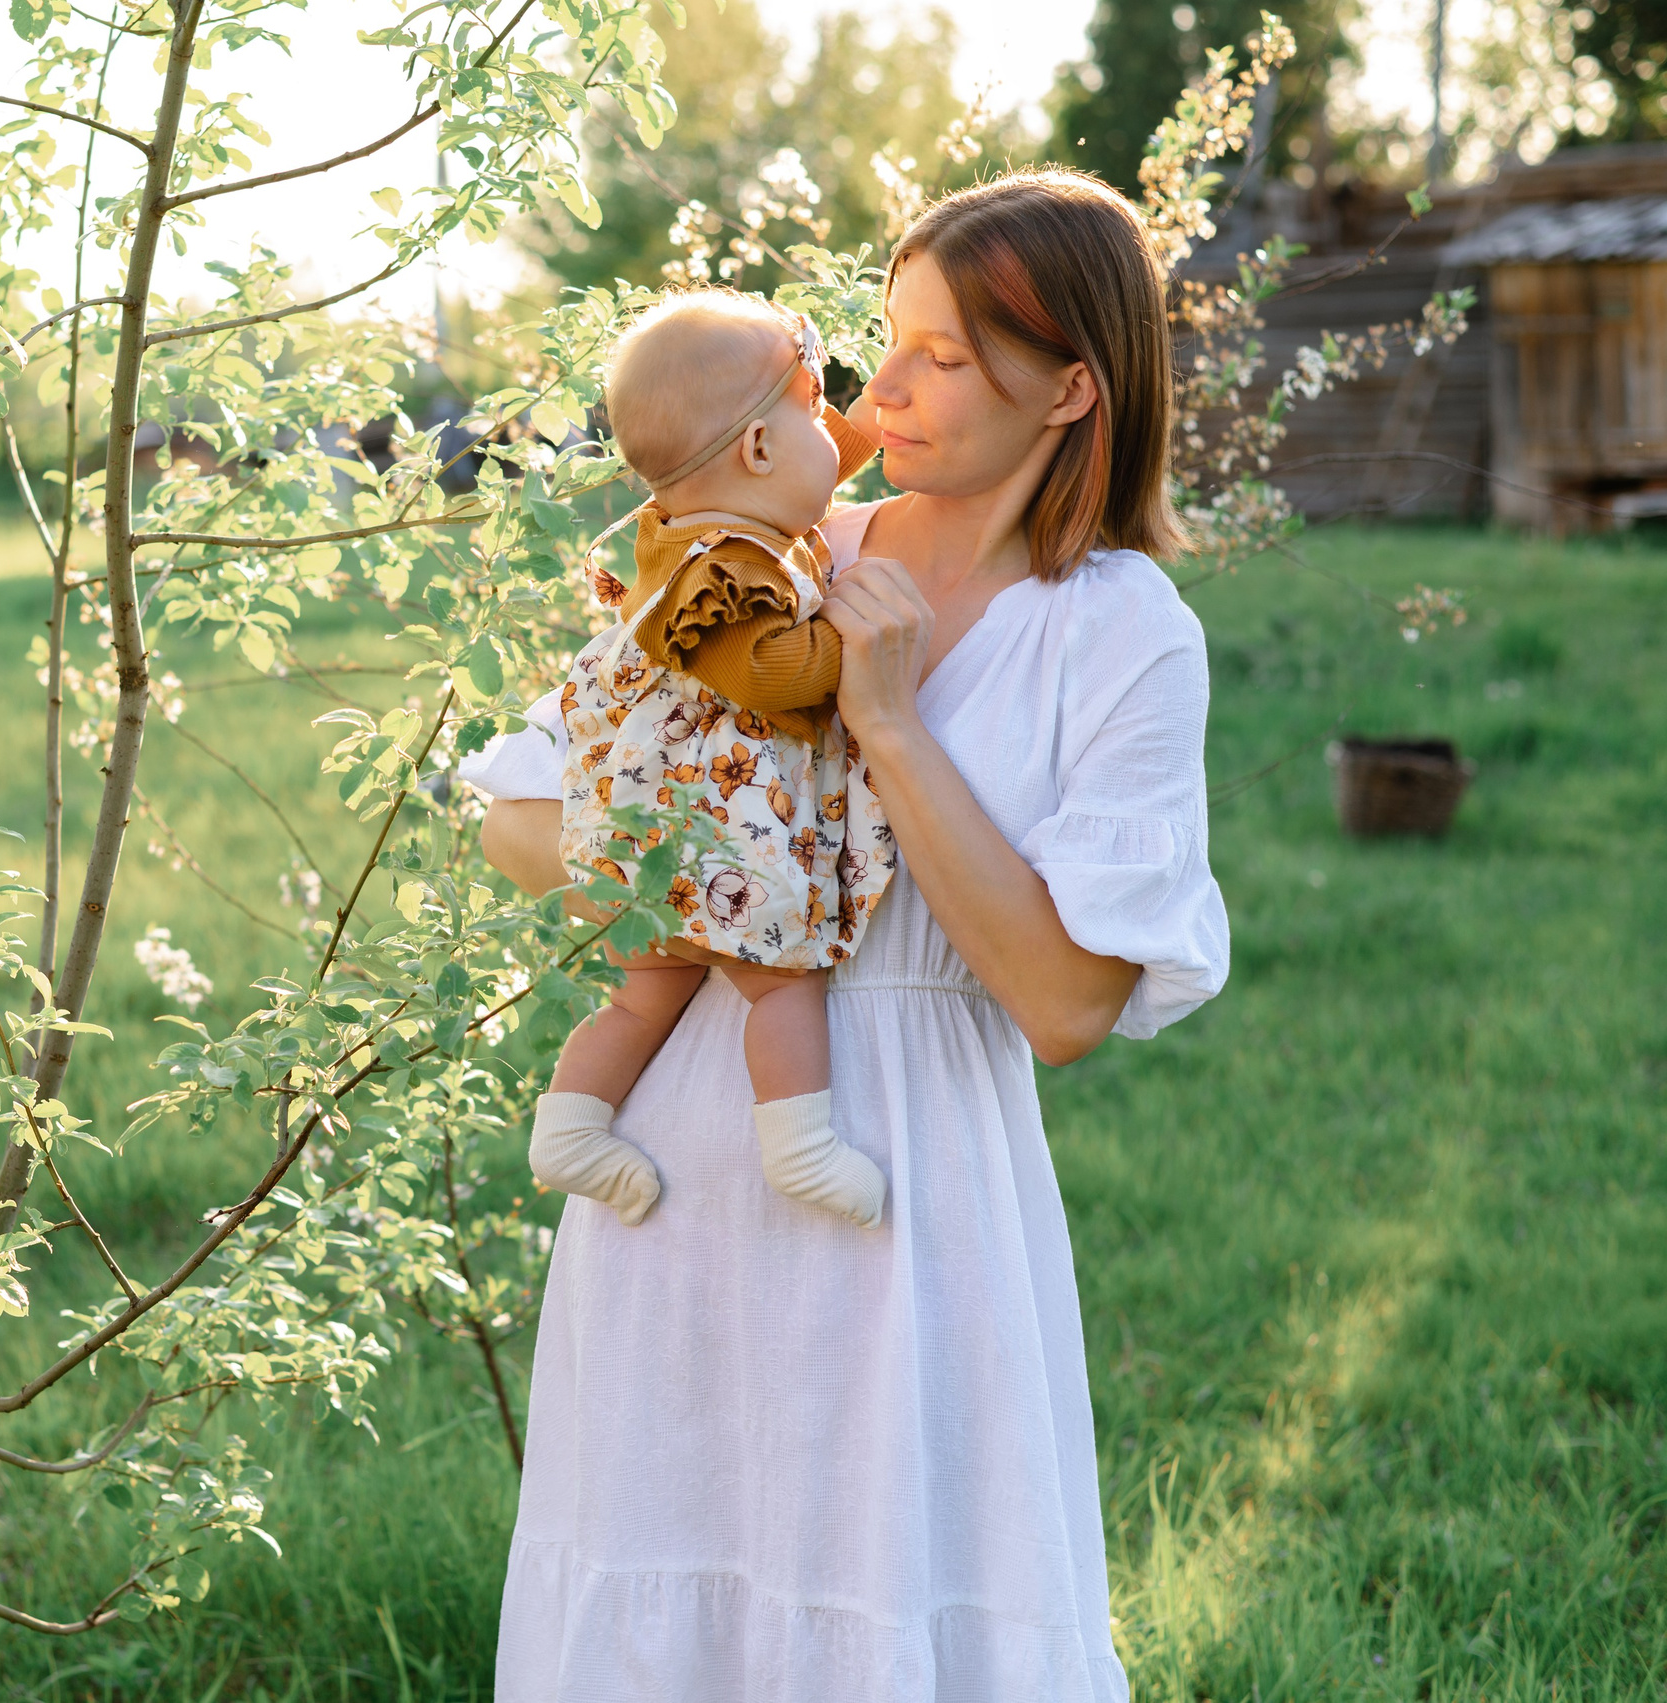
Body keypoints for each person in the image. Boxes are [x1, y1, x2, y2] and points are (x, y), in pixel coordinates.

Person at [463, 168, 1231, 1702]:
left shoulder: (1120, 628)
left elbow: (1067, 1001)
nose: (884, 392)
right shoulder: (769, 550)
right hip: (681, 1168)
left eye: (944, 356)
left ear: (1072, 385)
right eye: (891, 343)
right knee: (669, 1600)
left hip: (914, 1189)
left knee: (890, 1592)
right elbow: (520, 813)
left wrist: (884, 719)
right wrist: (691, 859)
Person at [532, 290, 895, 1236]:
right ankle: (799, 1146)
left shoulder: (709, 522)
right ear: (760, 450)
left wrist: (869, 417)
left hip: (654, 834)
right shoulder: (719, 573)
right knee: (783, 978)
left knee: (645, 987)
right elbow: (770, 675)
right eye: (814, 408)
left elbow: (826, 456)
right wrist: (856, 641)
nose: (833, 432)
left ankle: (568, 1127)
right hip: (712, 831)